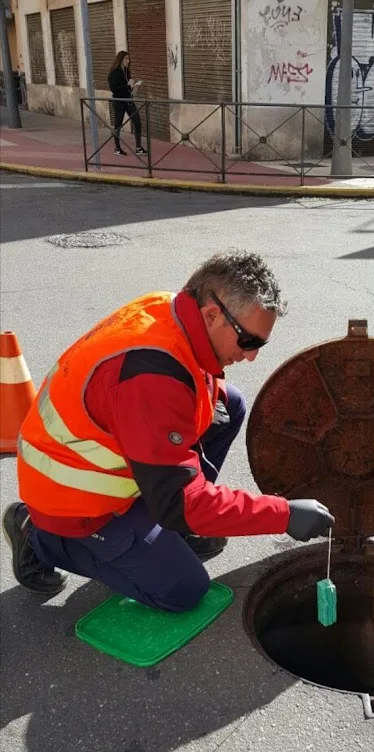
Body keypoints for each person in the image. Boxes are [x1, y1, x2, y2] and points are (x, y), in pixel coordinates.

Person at [2, 251, 334, 612]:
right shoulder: (150, 377)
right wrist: (283, 515)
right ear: (212, 315)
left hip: (116, 458)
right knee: (183, 588)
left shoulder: (173, 309)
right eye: (248, 342)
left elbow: (188, 390)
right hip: (73, 504)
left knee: (230, 405)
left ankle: (167, 525)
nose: (251, 356)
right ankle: (37, 535)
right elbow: (180, 501)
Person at [108, 50, 146, 157]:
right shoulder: (114, 73)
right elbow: (114, 89)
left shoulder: (126, 71)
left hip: (129, 100)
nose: (128, 61)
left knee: (137, 122)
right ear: (120, 60)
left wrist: (135, 87)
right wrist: (128, 86)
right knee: (118, 125)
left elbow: (128, 88)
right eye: (126, 59)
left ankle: (138, 148)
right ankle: (117, 148)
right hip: (119, 102)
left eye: (129, 59)